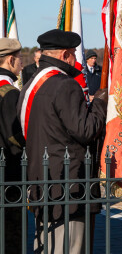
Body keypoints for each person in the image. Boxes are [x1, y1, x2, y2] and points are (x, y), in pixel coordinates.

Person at [17, 29, 107, 254]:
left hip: (42, 182)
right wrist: (100, 103)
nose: (76, 60)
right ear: (65, 55)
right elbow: (86, 130)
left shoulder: (30, 84)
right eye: (74, 54)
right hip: (69, 188)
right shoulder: (64, 85)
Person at [0, 38, 25, 254]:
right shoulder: (9, 93)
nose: (21, 64)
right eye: (19, 59)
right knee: (10, 237)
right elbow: (15, 138)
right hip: (8, 174)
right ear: (10, 60)